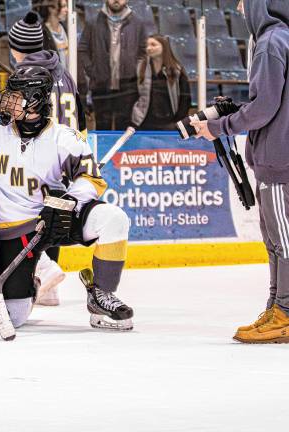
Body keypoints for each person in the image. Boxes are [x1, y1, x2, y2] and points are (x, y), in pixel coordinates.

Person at [0, 65, 134, 331]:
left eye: (16, 95)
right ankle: (31, 282)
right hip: (14, 231)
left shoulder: (64, 138)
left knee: (113, 219)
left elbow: (91, 180)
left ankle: (101, 294)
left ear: (35, 100)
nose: (7, 100)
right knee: (14, 316)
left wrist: (68, 201)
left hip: (55, 220)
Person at [191, 0, 289, 344]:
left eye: (244, 1)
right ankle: (276, 307)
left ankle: (285, 313)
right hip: (278, 156)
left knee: (282, 241)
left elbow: (264, 107)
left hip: (279, 160)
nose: (238, 6)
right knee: (276, 240)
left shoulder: (271, 43)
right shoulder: (282, 39)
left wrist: (219, 127)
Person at [9, 10, 87, 306]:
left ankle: (43, 271)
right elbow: (80, 118)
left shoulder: (23, 77)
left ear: (16, 47)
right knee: (54, 218)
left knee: (21, 219)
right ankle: (49, 290)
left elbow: (13, 124)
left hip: (39, 158)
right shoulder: (64, 72)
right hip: (68, 157)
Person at [79, 0, 147, 130]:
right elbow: (82, 49)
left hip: (128, 87)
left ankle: (124, 152)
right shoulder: (93, 22)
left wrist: (136, 70)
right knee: (102, 128)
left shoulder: (138, 23)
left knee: (125, 129)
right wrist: (92, 71)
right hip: (101, 87)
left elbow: (143, 52)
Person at [131, 34, 191, 131]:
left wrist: (177, 121)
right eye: (147, 45)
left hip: (170, 124)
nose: (149, 48)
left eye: (153, 45)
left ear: (164, 47)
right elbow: (133, 95)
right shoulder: (140, 67)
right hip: (144, 123)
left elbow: (185, 99)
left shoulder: (177, 70)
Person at [36, 0, 70, 70]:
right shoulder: (42, 34)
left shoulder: (66, 29)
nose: (67, 10)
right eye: (63, 6)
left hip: (68, 78)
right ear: (51, 9)